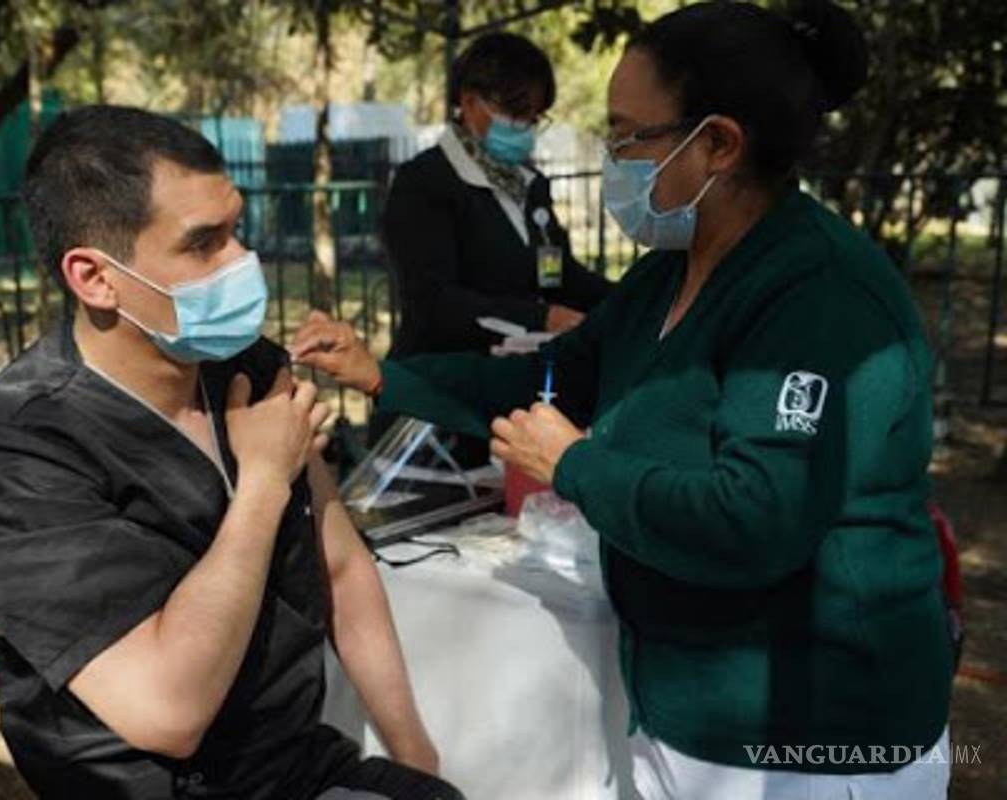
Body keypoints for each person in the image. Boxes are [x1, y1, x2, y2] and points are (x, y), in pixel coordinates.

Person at [291, 2, 953, 798]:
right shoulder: (670, 271)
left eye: (626, 134)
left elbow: (754, 519)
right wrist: (383, 377)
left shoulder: (820, 298)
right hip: (687, 711)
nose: (610, 157)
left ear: (717, 144)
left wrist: (576, 465)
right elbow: (554, 375)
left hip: (811, 735)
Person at [0, 106, 463, 800]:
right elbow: (169, 712)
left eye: (236, 229)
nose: (243, 261)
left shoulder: (246, 369)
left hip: (294, 765)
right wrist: (263, 483)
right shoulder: (14, 459)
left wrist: (415, 759)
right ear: (95, 278)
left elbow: (342, 568)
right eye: (203, 243)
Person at [377, 32, 613, 465]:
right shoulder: (425, 183)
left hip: (509, 398)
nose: (524, 128)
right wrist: (542, 317)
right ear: (469, 103)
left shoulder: (528, 184)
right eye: (516, 112)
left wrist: (630, 304)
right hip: (437, 402)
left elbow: (559, 274)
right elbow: (434, 302)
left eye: (535, 116)